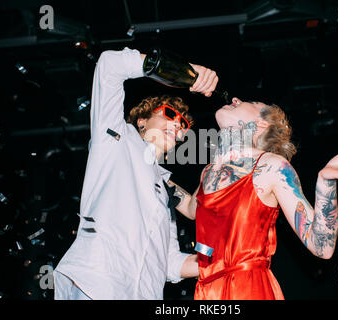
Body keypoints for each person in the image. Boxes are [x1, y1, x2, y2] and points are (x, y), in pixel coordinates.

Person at [53, 47, 219, 300]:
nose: (177, 125)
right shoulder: (115, 138)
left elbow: (170, 262)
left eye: (183, 125)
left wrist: (224, 263)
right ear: (142, 122)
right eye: (170, 115)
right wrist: (185, 74)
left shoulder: (164, 189)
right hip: (98, 285)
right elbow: (109, 65)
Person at [178, 97, 338, 299]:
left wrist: (326, 181)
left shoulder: (272, 166)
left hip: (248, 288)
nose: (235, 99)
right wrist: (150, 172)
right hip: (207, 292)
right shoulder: (209, 172)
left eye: (251, 103)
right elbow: (191, 209)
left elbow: (322, 247)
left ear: (261, 124)